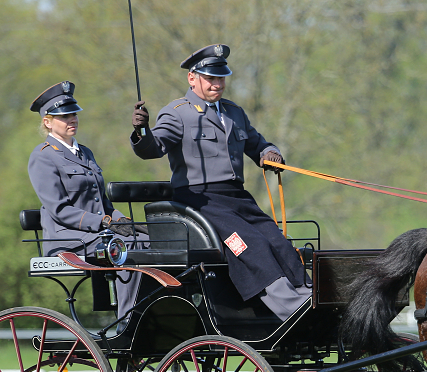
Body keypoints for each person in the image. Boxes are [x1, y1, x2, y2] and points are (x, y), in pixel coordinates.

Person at [130, 44, 310, 321]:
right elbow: (154, 148)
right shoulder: (177, 112)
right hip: (199, 200)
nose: (217, 84)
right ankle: (291, 309)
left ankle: (307, 294)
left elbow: (257, 143)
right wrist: (142, 131)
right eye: (210, 78)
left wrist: (268, 153)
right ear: (192, 78)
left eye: (221, 77)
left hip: (237, 197)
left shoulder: (234, 112)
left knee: (277, 241)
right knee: (250, 245)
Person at [28, 81, 148, 324]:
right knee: (128, 246)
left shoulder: (86, 153)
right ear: (47, 122)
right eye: (63, 116)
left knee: (147, 240)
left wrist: (120, 219)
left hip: (97, 234)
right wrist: (103, 223)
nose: (71, 119)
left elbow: (103, 201)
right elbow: (59, 210)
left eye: (73, 113)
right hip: (66, 238)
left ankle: (148, 315)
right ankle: (127, 322)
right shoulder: (43, 157)